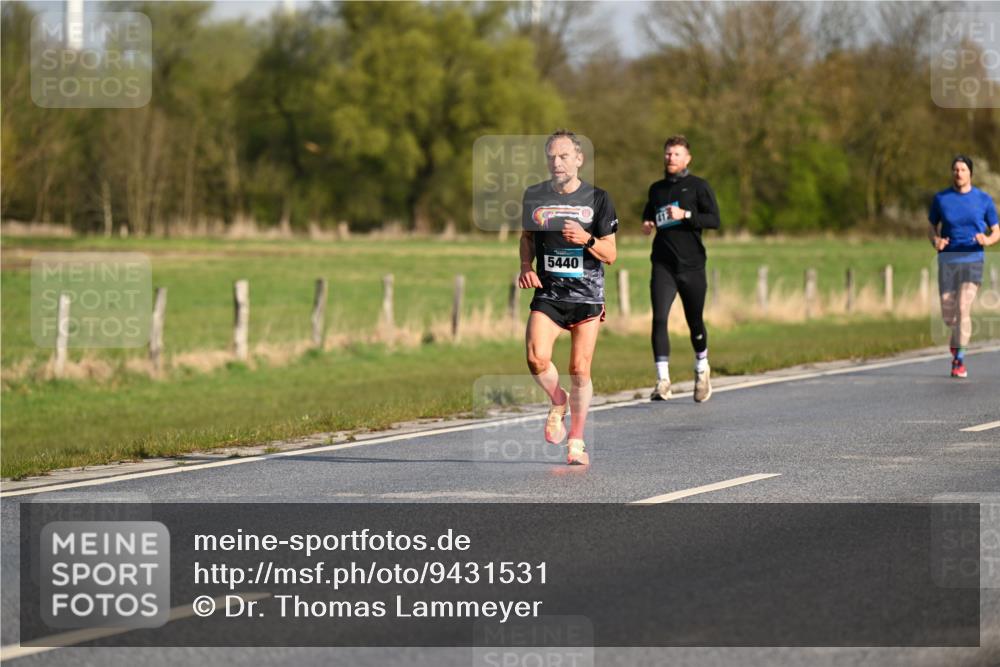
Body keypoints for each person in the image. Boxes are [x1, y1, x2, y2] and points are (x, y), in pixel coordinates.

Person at [518, 130, 618, 465]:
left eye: (563, 156)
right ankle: (557, 399)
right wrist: (524, 264)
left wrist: (586, 239)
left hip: (587, 295)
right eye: (551, 157)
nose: (556, 162)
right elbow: (527, 237)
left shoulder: (599, 199)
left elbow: (611, 253)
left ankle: (576, 440)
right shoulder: (534, 195)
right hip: (549, 292)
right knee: (536, 357)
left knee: (579, 368)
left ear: (578, 159)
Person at [641, 135, 721, 402]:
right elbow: (648, 214)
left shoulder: (698, 186)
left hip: (693, 265)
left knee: (694, 321)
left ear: (687, 158)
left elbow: (714, 219)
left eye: (676, 154)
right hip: (663, 264)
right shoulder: (656, 189)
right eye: (667, 154)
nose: (670, 158)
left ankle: (702, 369)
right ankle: (662, 381)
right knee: (659, 319)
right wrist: (648, 224)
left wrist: (685, 215)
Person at [928, 154, 999, 378]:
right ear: (952, 173)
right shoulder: (941, 199)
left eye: (963, 170)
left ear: (970, 173)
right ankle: (957, 342)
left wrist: (987, 240)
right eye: (955, 170)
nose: (959, 174)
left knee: (962, 307)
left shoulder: (983, 199)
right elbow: (931, 226)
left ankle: (959, 360)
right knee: (950, 317)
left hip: (972, 259)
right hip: (948, 260)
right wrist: (936, 241)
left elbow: (996, 230)